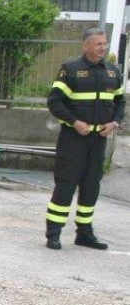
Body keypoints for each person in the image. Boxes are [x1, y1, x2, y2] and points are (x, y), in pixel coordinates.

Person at [44, 27, 123, 250]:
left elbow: (120, 102)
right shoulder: (71, 69)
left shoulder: (112, 72)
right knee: (66, 185)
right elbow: (55, 101)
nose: (102, 48)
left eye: (104, 44)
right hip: (73, 139)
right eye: (98, 44)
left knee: (91, 186)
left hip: (98, 139)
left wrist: (114, 122)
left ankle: (84, 233)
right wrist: (74, 122)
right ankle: (54, 233)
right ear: (85, 45)